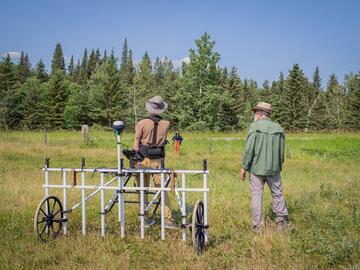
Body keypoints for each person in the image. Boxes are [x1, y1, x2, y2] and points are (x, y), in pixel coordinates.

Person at [240, 102, 289, 233]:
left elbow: (249, 150)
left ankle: (257, 227)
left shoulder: (254, 127)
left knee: (257, 196)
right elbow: (281, 152)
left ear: (260, 113)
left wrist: (244, 167)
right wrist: (277, 165)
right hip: (274, 169)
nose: (254, 115)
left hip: (256, 170)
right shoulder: (278, 128)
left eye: (255, 112)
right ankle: (282, 223)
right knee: (278, 194)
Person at [133, 96, 174, 228]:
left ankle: (143, 218)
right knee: (161, 189)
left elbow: (136, 144)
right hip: (158, 159)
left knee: (142, 189)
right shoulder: (166, 124)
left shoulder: (142, 123)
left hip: (143, 158)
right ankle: (167, 219)